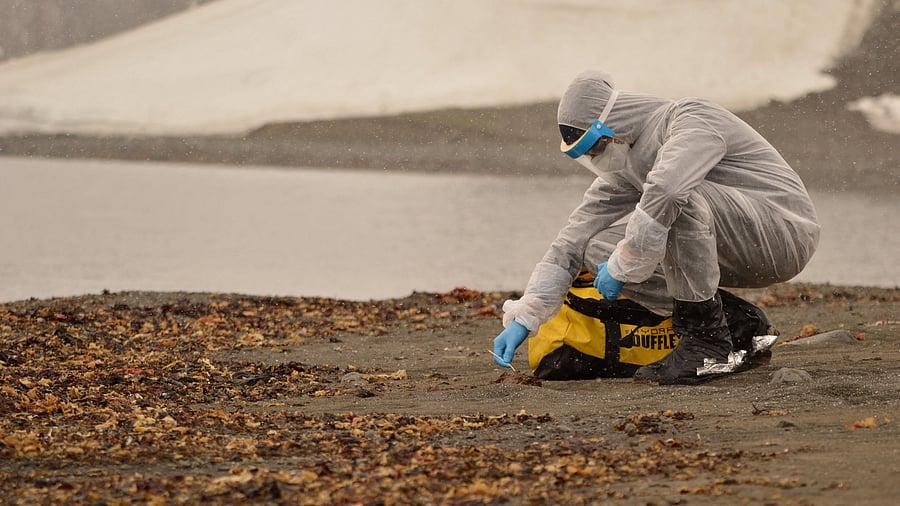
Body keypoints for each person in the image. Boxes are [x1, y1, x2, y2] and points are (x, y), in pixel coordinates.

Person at [492, 70, 820, 384]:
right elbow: (573, 238)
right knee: (595, 244)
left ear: (612, 122)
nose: (594, 159)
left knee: (672, 197)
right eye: (584, 154)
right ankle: (733, 323)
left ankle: (706, 344)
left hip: (785, 234)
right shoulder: (627, 163)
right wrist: (527, 315)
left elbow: (670, 191)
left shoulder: (693, 118)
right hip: (735, 242)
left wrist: (624, 265)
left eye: (594, 147)